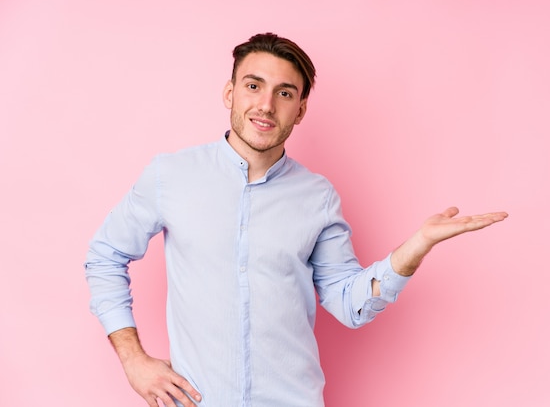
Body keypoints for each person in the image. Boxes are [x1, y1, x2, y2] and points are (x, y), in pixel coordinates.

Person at [85, 33, 508, 407]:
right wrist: (134, 360)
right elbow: (105, 256)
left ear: (301, 109)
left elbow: (348, 304)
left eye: (285, 93)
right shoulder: (170, 176)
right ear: (230, 93)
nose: (266, 105)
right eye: (254, 86)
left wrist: (416, 247)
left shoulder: (317, 197)